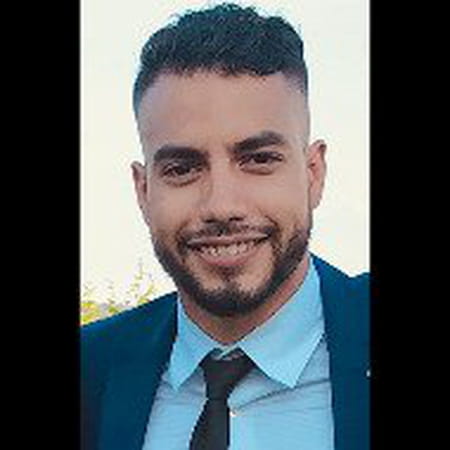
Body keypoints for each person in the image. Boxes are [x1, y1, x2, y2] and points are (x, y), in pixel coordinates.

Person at [80, 3, 369, 450]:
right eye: (182, 169)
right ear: (143, 190)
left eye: (258, 159)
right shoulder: (92, 371)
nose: (221, 205)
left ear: (313, 174)